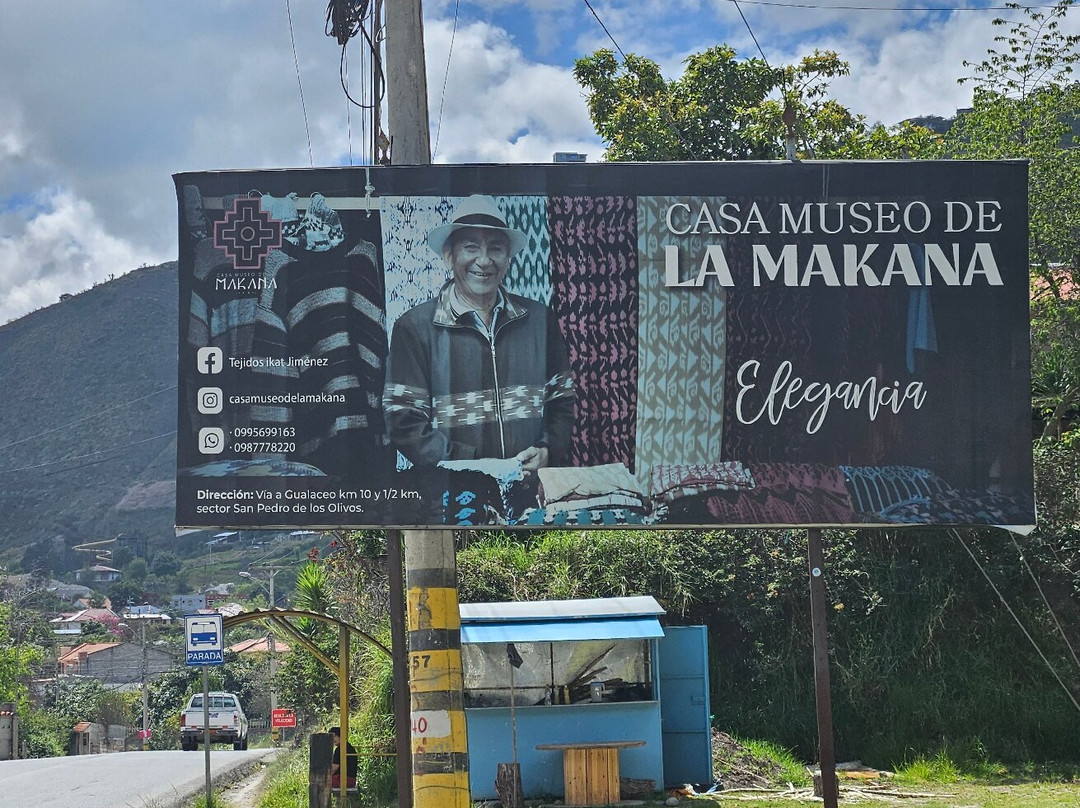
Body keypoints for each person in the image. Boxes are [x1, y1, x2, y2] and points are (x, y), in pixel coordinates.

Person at [383, 194, 575, 472]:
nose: (484, 261)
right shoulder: (414, 327)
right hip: (454, 490)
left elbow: (562, 401)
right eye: (471, 247)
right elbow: (404, 420)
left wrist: (548, 449)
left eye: (495, 249)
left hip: (530, 485)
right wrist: (474, 466)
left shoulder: (539, 321)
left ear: (507, 259)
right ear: (449, 256)